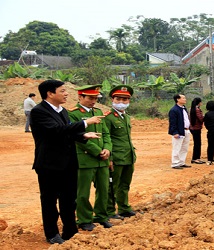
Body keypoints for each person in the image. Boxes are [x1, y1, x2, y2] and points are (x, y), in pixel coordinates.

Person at [30, 79, 102, 244]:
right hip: (49, 164)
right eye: (62, 91)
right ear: (50, 93)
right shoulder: (38, 111)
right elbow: (55, 131)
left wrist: (83, 136)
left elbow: (66, 132)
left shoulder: (62, 111)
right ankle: (52, 233)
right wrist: (85, 123)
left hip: (68, 163)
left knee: (69, 199)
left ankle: (70, 231)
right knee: (49, 201)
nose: (66, 93)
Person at [68, 85, 113, 231]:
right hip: (85, 159)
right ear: (80, 97)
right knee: (83, 192)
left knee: (103, 189)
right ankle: (84, 219)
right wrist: (97, 151)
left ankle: (101, 216)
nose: (93, 101)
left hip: (102, 159)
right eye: (90, 98)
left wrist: (107, 149)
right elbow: (76, 137)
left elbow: (106, 134)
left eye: (95, 98)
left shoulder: (99, 112)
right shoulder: (73, 114)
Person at [103, 85, 137, 220]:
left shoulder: (126, 117)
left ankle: (124, 208)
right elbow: (106, 138)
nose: (121, 102)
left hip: (128, 156)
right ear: (112, 99)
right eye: (118, 99)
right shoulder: (108, 117)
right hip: (116, 157)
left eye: (125, 99)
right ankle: (110, 210)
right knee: (112, 185)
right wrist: (109, 158)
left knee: (125, 184)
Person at [168, 94, 191, 169]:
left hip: (186, 130)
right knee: (177, 147)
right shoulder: (174, 110)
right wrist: (175, 132)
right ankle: (175, 163)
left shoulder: (184, 108)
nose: (185, 99)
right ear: (178, 99)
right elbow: (173, 122)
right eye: (183, 98)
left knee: (184, 148)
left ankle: (181, 162)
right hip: (179, 131)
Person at [189, 97, 204, 164]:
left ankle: (195, 158)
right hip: (196, 128)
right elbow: (200, 119)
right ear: (199, 103)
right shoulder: (197, 110)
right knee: (198, 144)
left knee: (196, 143)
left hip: (192, 127)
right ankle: (196, 158)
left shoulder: (192, 108)